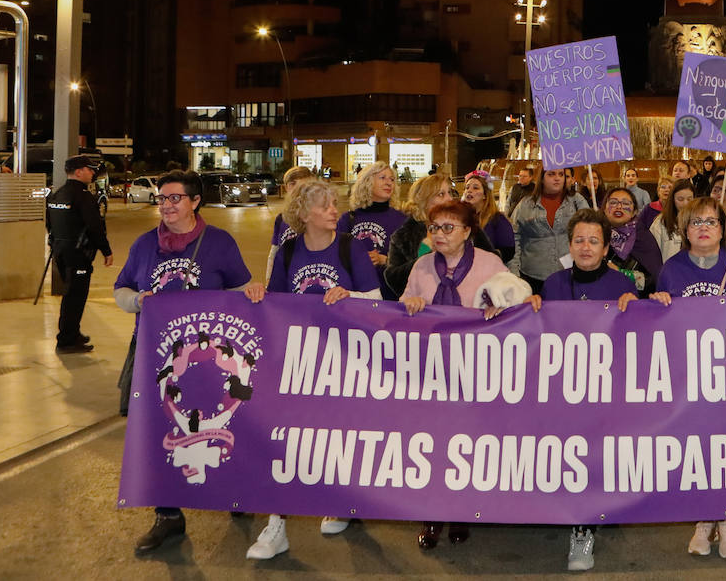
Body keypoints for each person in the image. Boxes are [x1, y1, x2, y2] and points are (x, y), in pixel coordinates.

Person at [116, 171, 254, 555]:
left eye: (175, 198)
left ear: (195, 202)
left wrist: (254, 294)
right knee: (159, 432)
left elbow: (240, 292)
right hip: (155, 358)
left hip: (208, 363)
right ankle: (168, 515)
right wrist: (135, 301)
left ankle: (235, 496)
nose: (166, 205)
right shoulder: (145, 245)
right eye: (162, 198)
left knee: (224, 426)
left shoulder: (220, 243)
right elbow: (121, 287)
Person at [246, 179, 382, 558]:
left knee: (336, 437)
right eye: (324, 206)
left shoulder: (350, 247)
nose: (334, 210)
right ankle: (277, 525)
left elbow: (376, 299)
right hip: (299, 360)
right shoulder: (289, 252)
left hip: (344, 360)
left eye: (335, 204)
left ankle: (338, 501)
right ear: (304, 214)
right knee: (287, 442)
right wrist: (258, 294)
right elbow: (275, 302)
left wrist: (348, 295)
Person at [645, 194, 726, 559]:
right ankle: (702, 520)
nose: (704, 228)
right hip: (691, 374)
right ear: (684, 229)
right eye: (696, 222)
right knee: (699, 449)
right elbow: (661, 326)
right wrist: (659, 304)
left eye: (711, 221)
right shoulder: (673, 268)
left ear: (722, 228)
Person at [398, 198, 512, 549]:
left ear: (467, 232)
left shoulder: (490, 264)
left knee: (466, 443)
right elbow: (401, 308)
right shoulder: (421, 267)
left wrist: (501, 306)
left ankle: (462, 510)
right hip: (429, 372)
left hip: (474, 372)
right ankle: (432, 515)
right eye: (434, 228)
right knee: (431, 443)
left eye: (448, 227)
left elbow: (519, 300)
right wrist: (410, 305)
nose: (439, 234)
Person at [530, 209, 639, 571]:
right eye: (579, 240)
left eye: (594, 240)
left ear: (607, 247)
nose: (586, 247)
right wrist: (530, 309)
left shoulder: (623, 285)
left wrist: (638, 311)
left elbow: (638, 340)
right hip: (565, 390)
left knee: (598, 459)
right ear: (570, 244)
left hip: (608, 391)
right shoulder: (554, 283)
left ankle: (585, 527)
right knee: (574, 459)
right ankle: (579, 520)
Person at [46, 155, 114, 352]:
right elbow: (95, 227)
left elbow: (49, 224)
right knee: (76, 296)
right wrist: (106, 250)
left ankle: (71, 332)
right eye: (89, 169)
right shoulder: (83, 197)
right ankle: (67, 339)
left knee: (70, 294)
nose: (92, 173)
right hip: (78, 255)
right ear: (78, 172)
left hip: (60, 252)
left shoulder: (57, 194)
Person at [510, 163, 590, 291]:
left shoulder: (576, 200)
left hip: (569, 274)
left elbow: (590, 228)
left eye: (561, 174)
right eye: (551, 174)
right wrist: (513, 272)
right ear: (542, 178)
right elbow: (514, 237)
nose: (557, 178)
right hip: (531, 276)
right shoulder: (526, 204)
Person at [337, 162, 409, 300]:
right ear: (367, 182)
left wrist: (386, 260)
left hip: (389, 295)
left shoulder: (403, 220)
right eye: (382, 178)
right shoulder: (348, 219)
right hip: (354, 295)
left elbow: (413, 263)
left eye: (392, 179)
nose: (389, 183)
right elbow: (334, 255)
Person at [383, 175, 465, 296]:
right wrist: (427, 255)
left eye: (449, 193)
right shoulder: (404, 236)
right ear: (425, 202)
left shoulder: (466, 227)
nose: (449, 199)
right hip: (423, 305)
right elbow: (394, 280)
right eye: (441, 194)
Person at [603, 186, 663, 292]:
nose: (619, 206)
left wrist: (622, 274)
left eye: (626, 203)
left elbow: (654, 278)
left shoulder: (643, 237)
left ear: (634, 211)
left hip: (636, 301)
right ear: (604, 208)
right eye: (613, 202)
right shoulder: (597, 233)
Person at [265, 165, 314, 283]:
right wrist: (268, 279)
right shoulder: (281, 219)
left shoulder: (317, 217)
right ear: (286, 187)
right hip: (285, 277)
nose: (297, 189)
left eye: (303, 185)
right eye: (292, 184)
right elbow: (274, 252)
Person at [463, 170, 515, 262]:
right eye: (467, 188)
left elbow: (508, 251)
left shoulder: (498, 219)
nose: (469, 191)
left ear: (485, 195)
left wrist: (488, 258)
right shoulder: (460, 218)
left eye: (475, 188)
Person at [650, 179, 696, 264]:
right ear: (673, 199)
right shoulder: (661, 222)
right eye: (680, 199)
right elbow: (652, 254)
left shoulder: (699, 222)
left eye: (689, 199)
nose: (685, 203)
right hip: (668, 272)